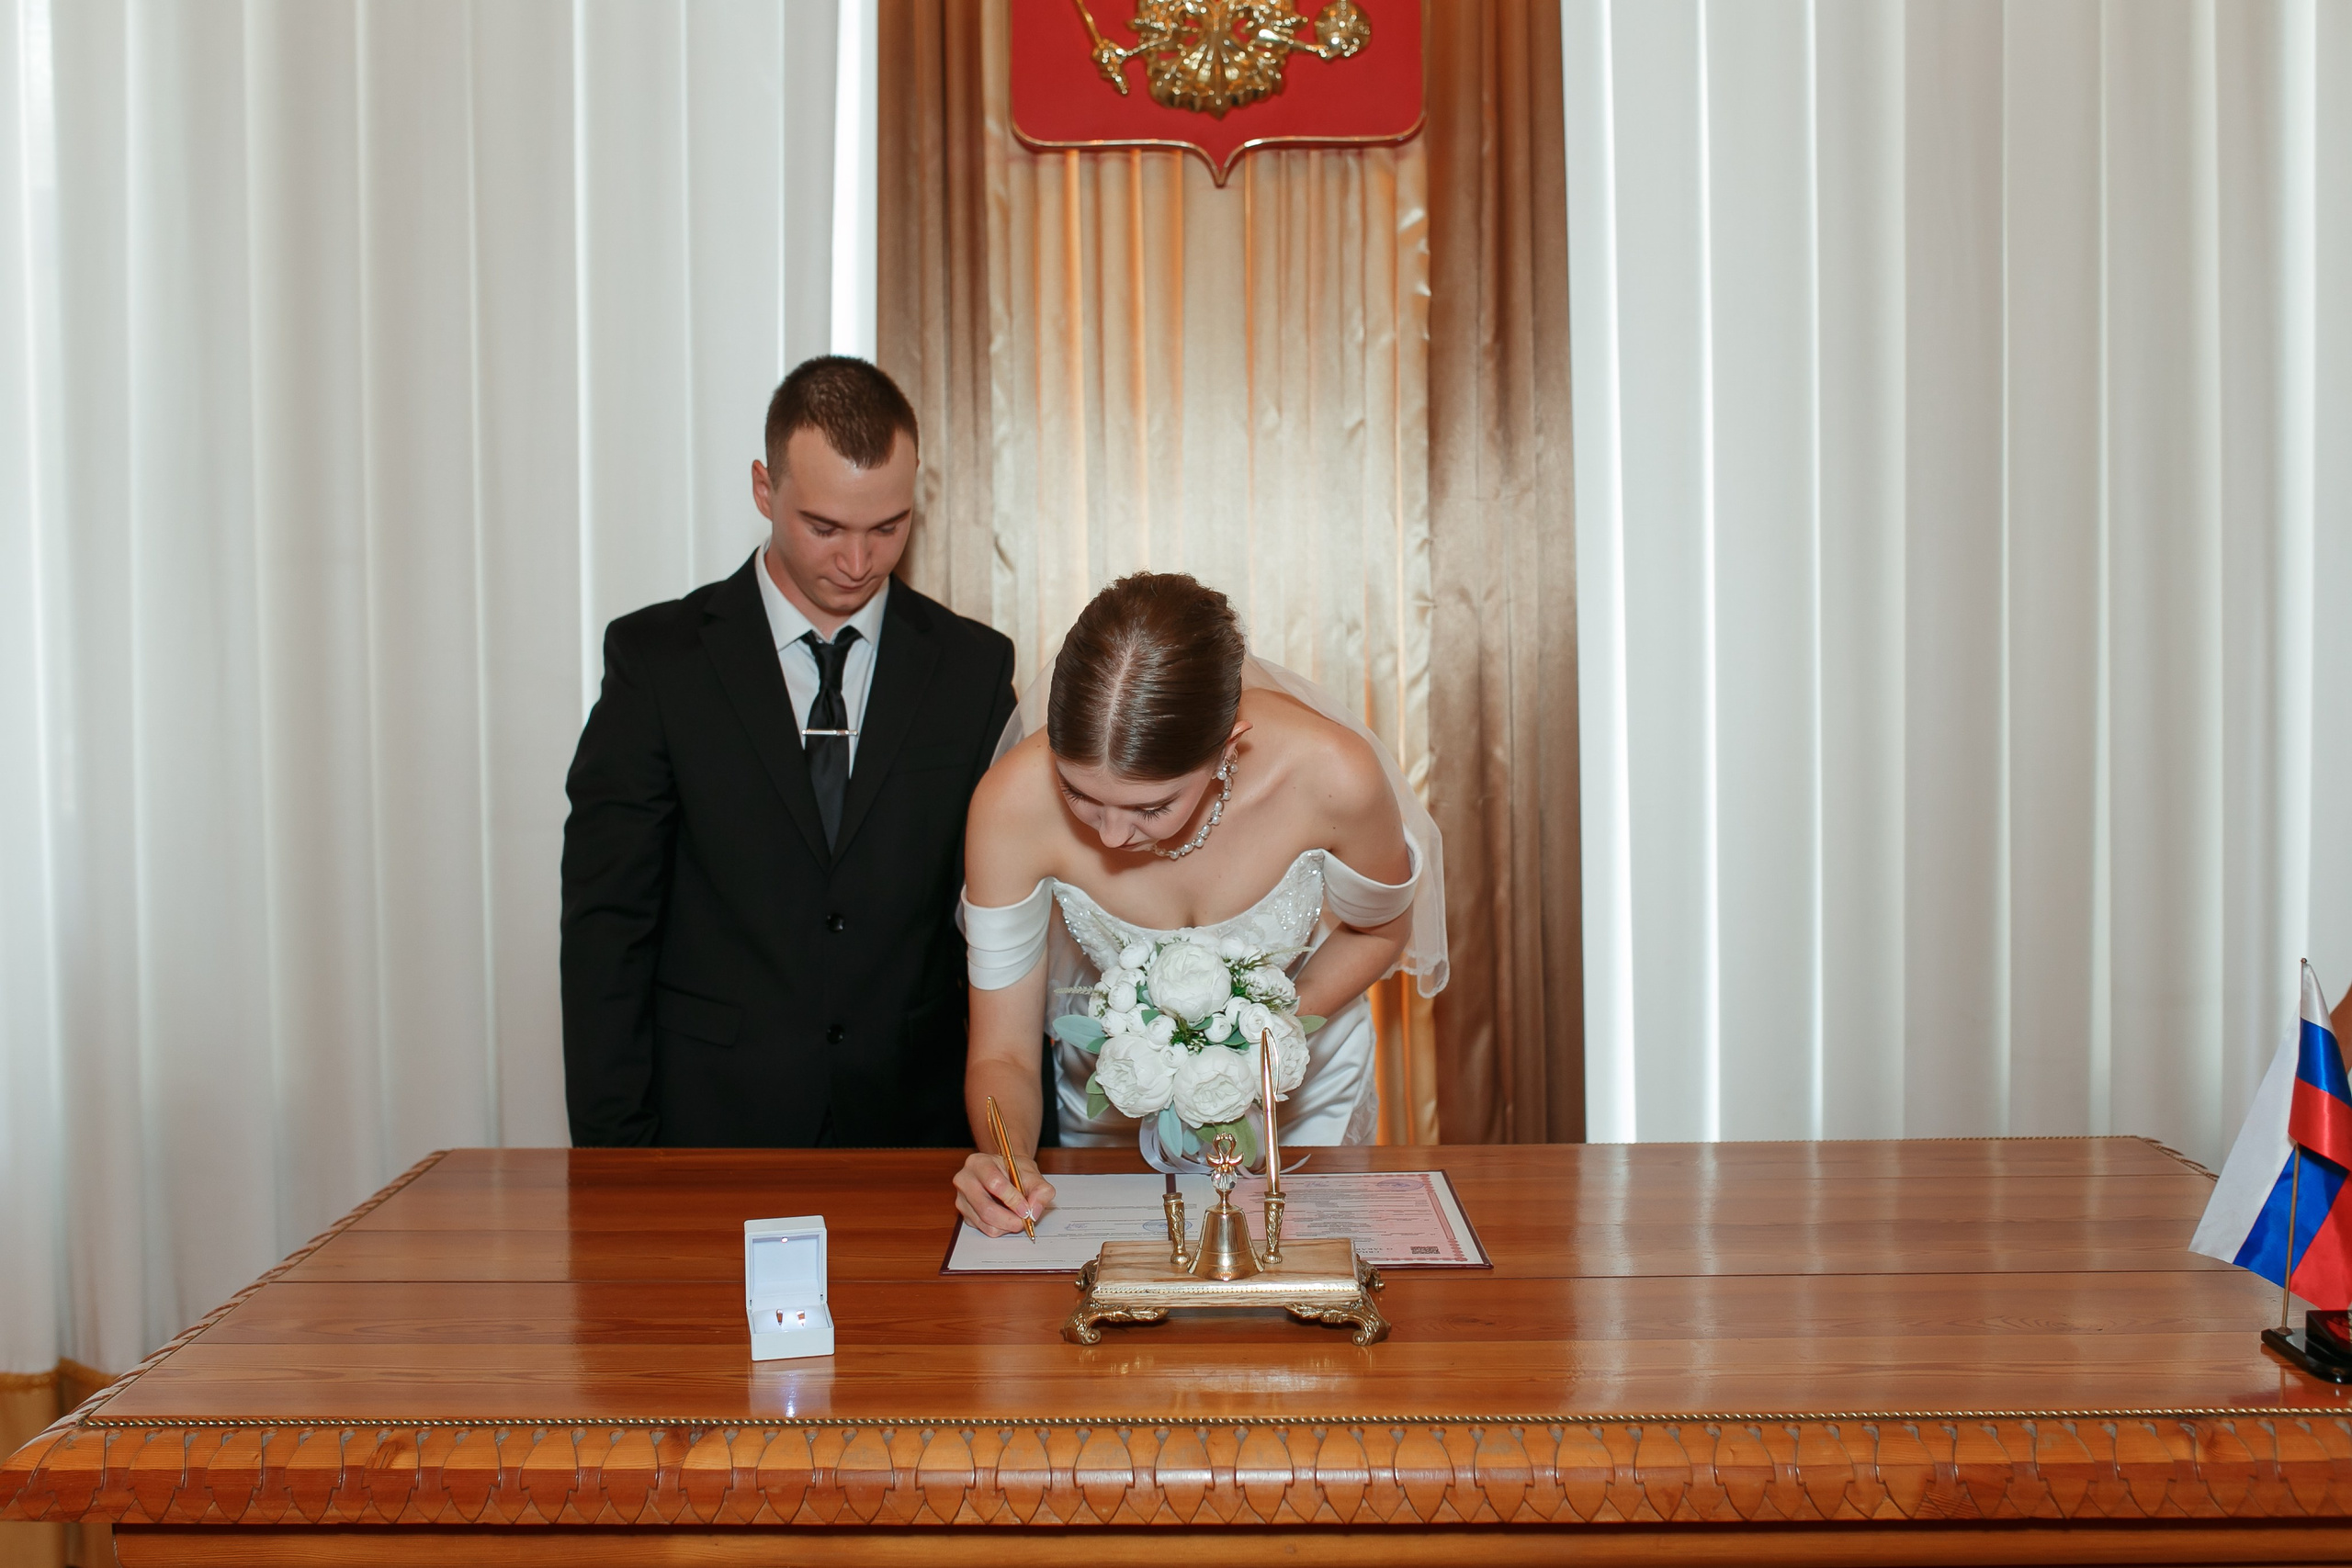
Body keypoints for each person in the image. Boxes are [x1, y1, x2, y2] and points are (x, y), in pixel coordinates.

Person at [561, 356, 1016, 1146]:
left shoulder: (972, 670)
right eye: (825, 527)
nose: (857, 561)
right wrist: (614, 1160)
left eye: (888, 527)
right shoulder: (658, 662)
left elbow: (1003, 928)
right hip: (709, 1126)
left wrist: (1009, 1149)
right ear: (765, 491)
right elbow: (608, 928)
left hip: (916, 1132)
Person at [951, 572, 1445, 1235]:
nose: (1110, 835)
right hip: (1110, 1112)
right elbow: (1004, 1055)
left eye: (1151, 806)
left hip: (1301, 1106)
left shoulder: (1333, 775)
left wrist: (1258, 1036)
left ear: (1227, 746)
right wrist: (1004, 1157)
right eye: (1078, 794)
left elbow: (1381, 928)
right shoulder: (1008, 806)